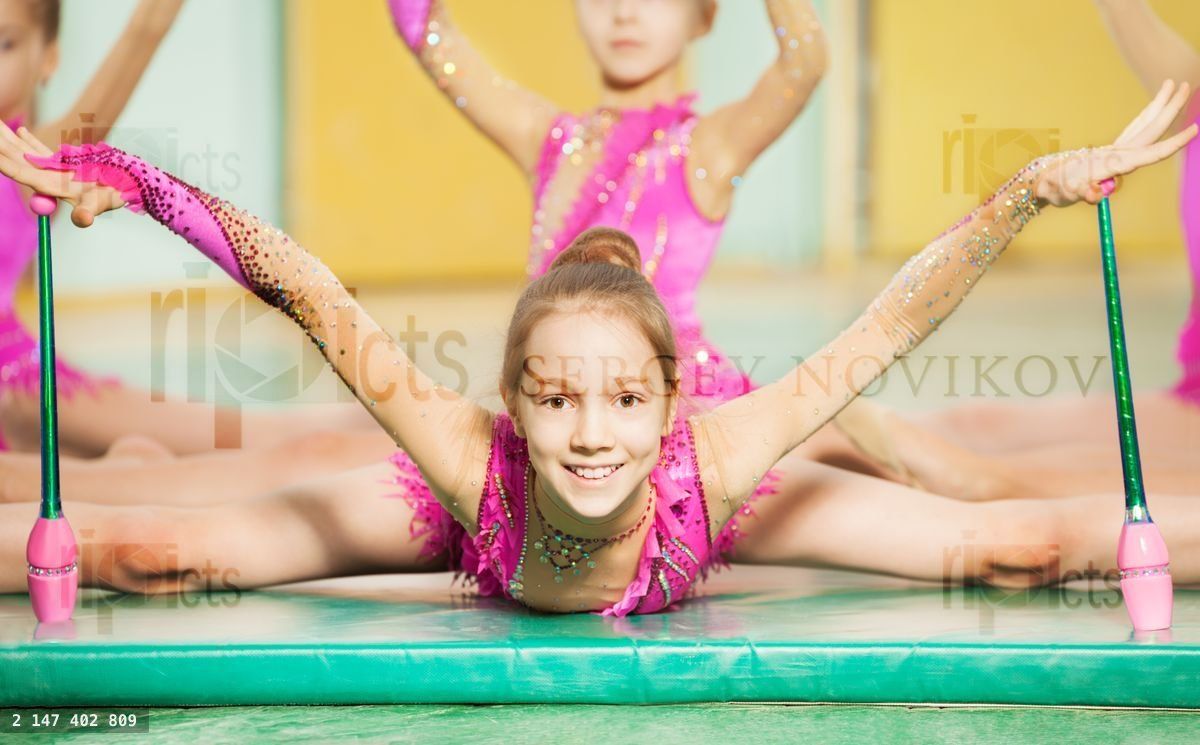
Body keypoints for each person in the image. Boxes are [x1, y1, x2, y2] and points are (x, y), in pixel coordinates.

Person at [0, 87, 1193, 613]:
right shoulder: (467, 457)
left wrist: (1029, 191)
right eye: (557, 398)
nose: (588, 436)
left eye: (623, 399)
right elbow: (308, 292)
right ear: (512, 403)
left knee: (1022, 547)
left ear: (672, 404)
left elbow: (890, 324)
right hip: (477, 525)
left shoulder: (711, 457)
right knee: (153, 552)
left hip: (689, 527)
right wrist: (130, 181)